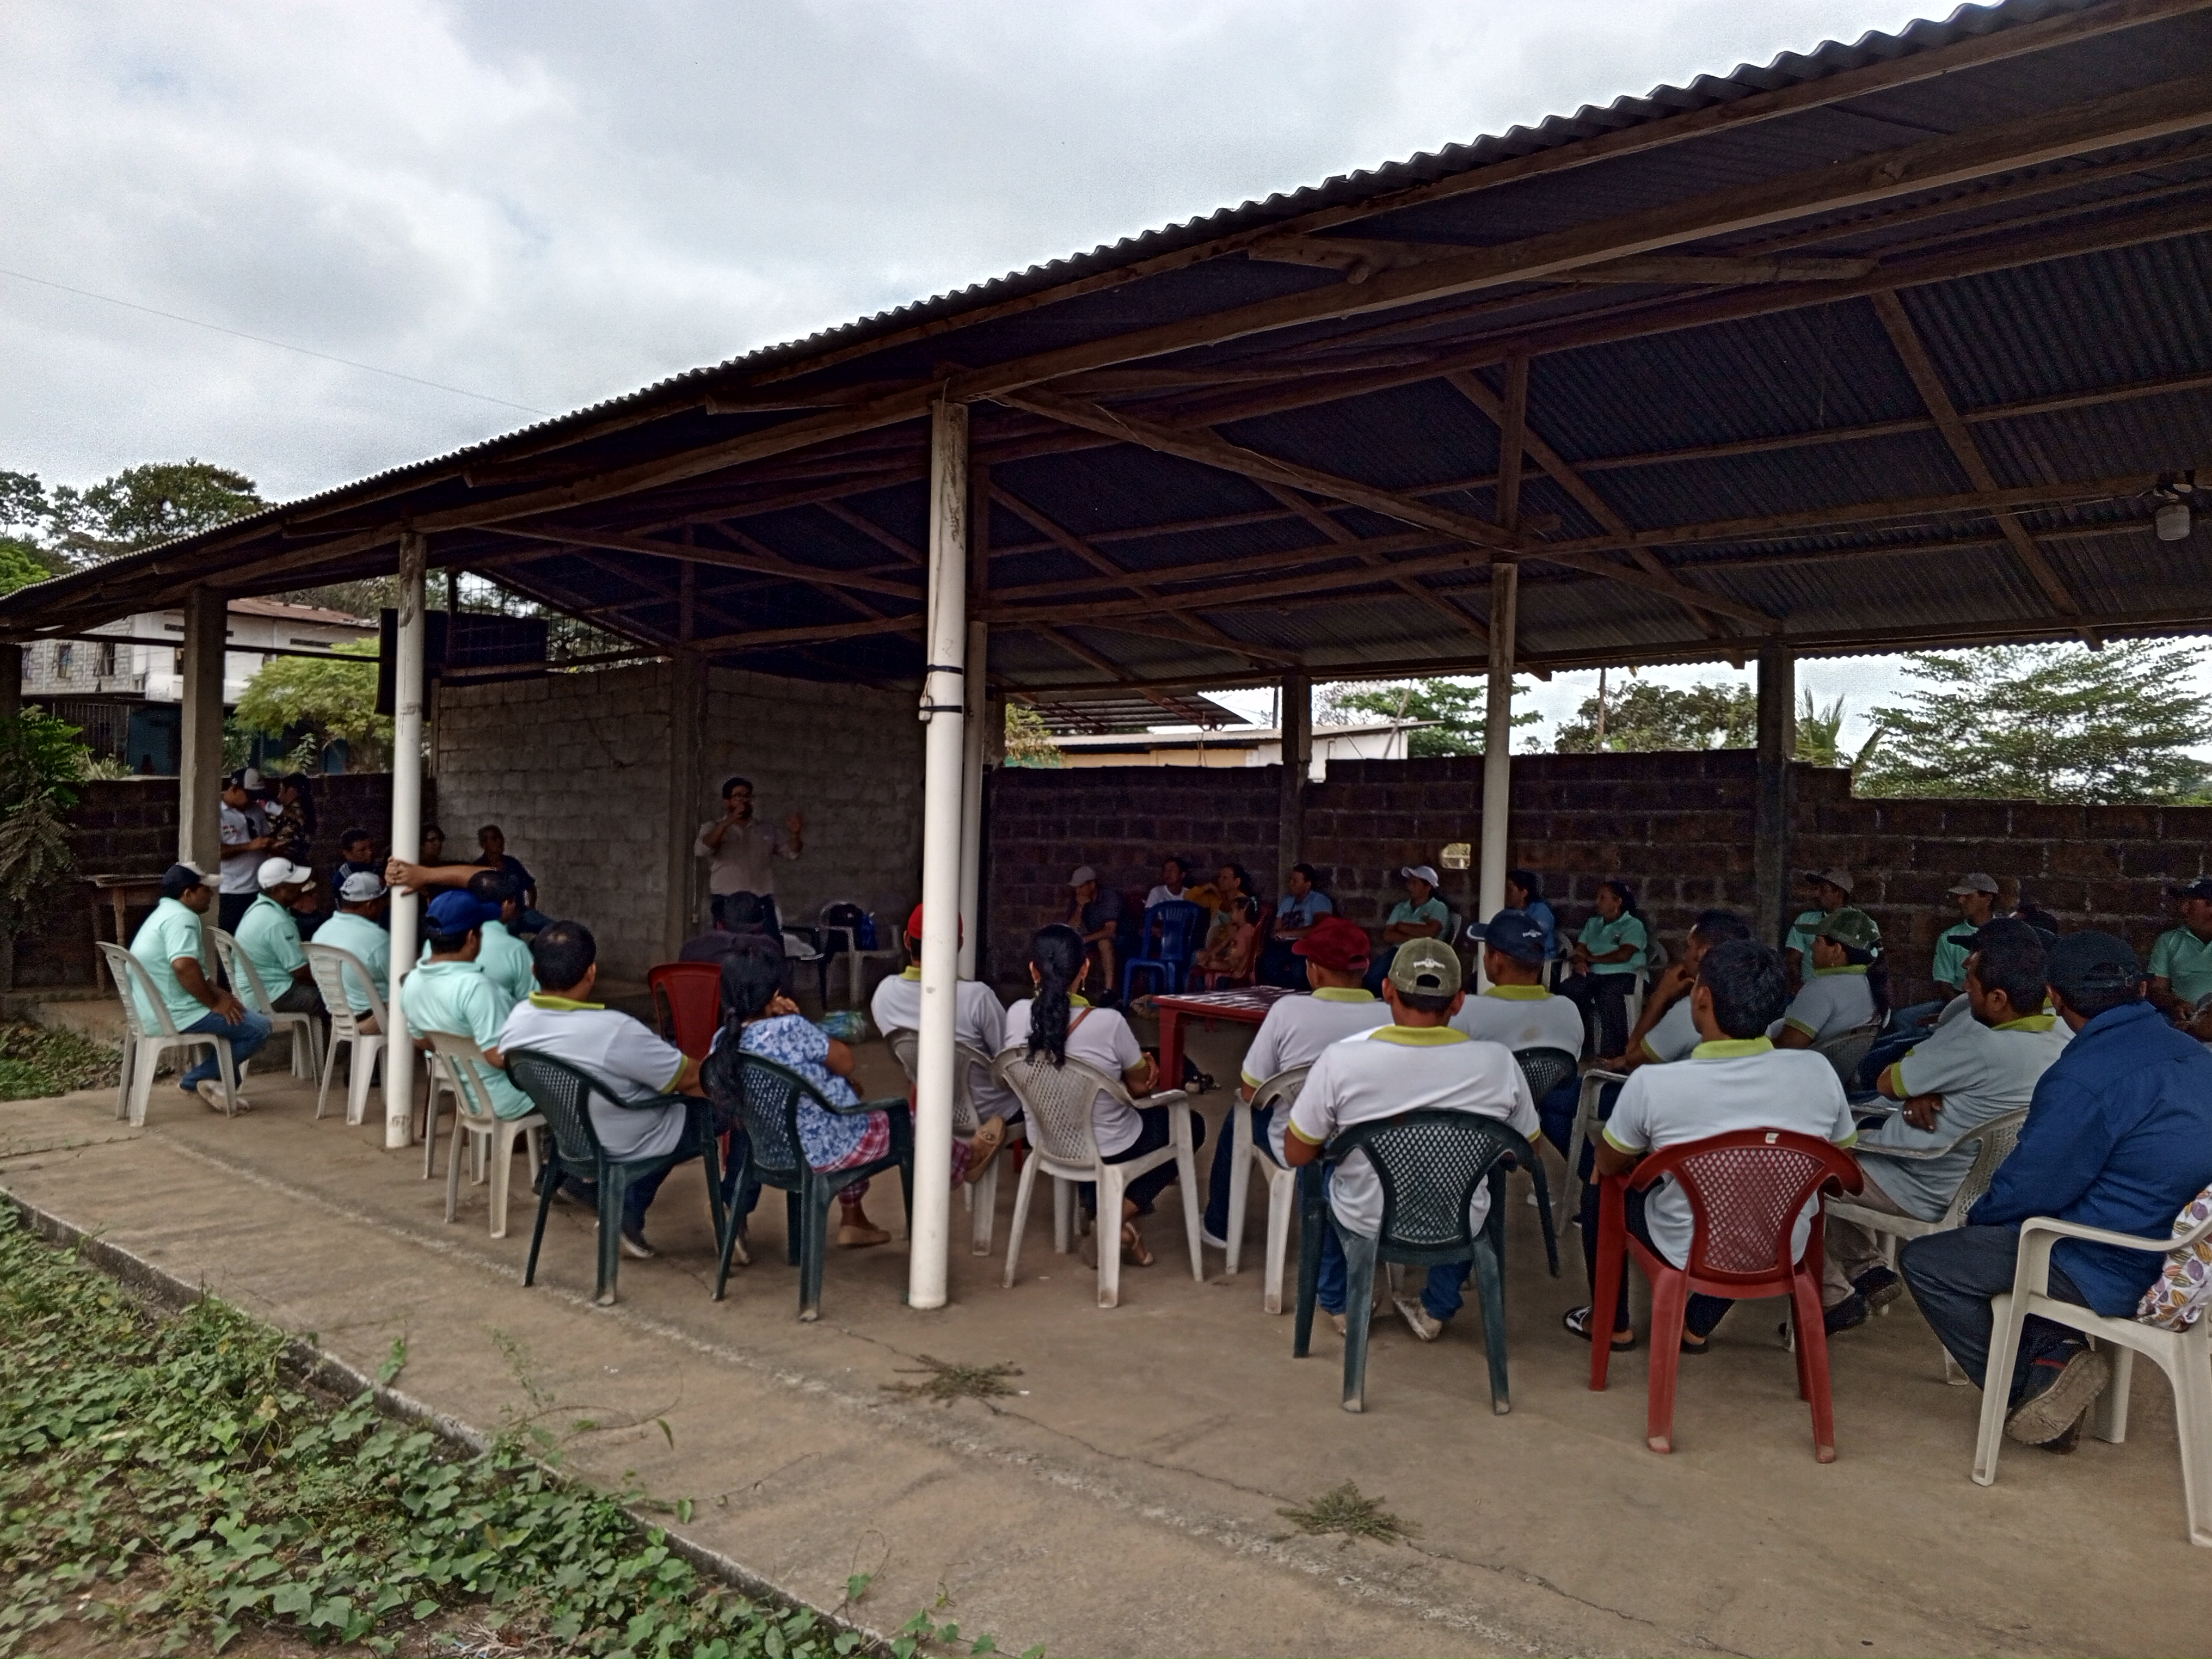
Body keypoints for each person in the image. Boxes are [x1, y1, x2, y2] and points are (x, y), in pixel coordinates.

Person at [1900, 932, 2212, 1451]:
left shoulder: (2083, 1077)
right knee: (2008, 1244)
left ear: (2054, 996)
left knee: (1934, 1262)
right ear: (2140, 988)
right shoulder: (2193, 1054)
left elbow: (2032, 1187)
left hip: (2116, 1262)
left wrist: (1981, 1219)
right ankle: (2055, 1355)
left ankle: (2035, 1398)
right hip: (2188, 1259)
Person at [1564, 939, 1856, 1352]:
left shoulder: (1656, 1084)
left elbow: (1609, 1163)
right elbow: (1840, 1167)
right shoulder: (1818, 1072)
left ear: (1701, 997)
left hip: (1685, 1245)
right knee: (1755, 1199)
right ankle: (1696, 1324)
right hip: (1782, 1243)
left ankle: (1611, 1324)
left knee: (1600, 1189)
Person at [1285, 937, 1539, 1343]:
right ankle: (1437, 1307)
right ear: (1459, 1001)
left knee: (1315, 1174)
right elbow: (1528, 1151)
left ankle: (1341, 1302)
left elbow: (1296, 1153)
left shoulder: (1341, 1060)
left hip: (1367, 1218)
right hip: (1457, 1220)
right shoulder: (1499, 1063)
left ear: (1387, 990)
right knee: (1482, 1179)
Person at [1822, 920, 2069, 1332]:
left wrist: (1920, 1089)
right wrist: (1927, 1089)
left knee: (1800, 1168)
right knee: (1839, 1151)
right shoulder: (2062, 1038)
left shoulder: (1979, 1042)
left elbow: (1887, 1083)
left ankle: (1834, 1296)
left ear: (1998, 998)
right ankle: (1867, 1270)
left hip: (1914, 1178)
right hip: (1977, 1182)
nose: (1964, 985)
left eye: (1972, 982)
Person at [722, 947, 1003, 1250]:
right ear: (774, 994)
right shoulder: (791, 1028)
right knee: (905, 1121)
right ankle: (968, 1159)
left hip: (772, 1152)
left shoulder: (722, 1044)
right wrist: (796, 1018)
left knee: (847, 1111)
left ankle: (854, 1220)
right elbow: (846, 1062)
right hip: (825, 1150)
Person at [498, 921, 712, 1259]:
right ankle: (724, 1215)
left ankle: (571, 1182)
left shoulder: (517, 1020)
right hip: (623, 1140)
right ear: (592, 972)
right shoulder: (616, 1030)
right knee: (720, 1109)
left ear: (534, 971)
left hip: (570, 1140)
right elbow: (691, 1080)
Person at [1002, 923, 1202, 1268]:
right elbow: (1140, 1088)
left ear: (1034, 970)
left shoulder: (1017, 1014)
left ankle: (1113, 1218)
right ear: (1085, 969)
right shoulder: (1109, 1023)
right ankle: (1115, 1217)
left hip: (1047, 1139)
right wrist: (1147, 1068)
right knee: (1191, 1124)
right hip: (1110, 1143)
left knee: (1103, 1122)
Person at [1198, 914, 1390, 1250]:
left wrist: (1289, 1090)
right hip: (1369, 1148)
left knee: (1238, 1116)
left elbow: (1251, 1092)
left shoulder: (1288, 1011)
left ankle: (1220, 1227)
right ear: (1364, 968)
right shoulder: (1388, 1016)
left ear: (1315, 970)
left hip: (1297, 1145)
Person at [128, 862, 273, 1111]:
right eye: (205, 889)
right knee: (258, 1028)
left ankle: (220, 1084)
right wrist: (215, 1003)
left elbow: (195, 974)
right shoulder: (183, 918)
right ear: (188, 893)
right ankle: (196, 1080)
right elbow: (184, 966)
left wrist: (221, 995)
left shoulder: (163, 913)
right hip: (176, 1013)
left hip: (154, 1011)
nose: (212, 894)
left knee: (236, 1012)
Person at [870, 903, 1018, 1126]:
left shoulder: (884, 993)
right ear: (959, 944)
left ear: (907, 940)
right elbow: (1009, 1065)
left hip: (932, 1110)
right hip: (992, 1113)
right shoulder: (978, 997)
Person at [1453, 910, 1586, 1152]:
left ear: (1496, 960)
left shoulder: (1466, 1012)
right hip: (1532, 1127)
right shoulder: (1569, 1011)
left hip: (1474, 1135)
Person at [401, 890, 536, 1125]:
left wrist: (458, 1050)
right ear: (472, 937)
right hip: (509, 1100)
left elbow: (421, 1041)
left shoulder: (412, 982)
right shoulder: (477, 988)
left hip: (466, 1095)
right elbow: (497, 1057)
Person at [1608, 910, 1751, 1072]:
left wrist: (1661, 995)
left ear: (1703, 953)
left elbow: (1632, 1062)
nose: (1685, 956)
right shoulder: (1755, 1001)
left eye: (1689, 947)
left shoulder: (1693, 1009)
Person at [695, 776, 804, 939]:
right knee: (727, 946)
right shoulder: (713, 827)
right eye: (738, 796)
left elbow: (791, 853)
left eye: (747, 796)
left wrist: (796, 835)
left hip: (761, 901)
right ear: (727, 801)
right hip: (726, 901)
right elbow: (702, 850)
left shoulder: (766, 829)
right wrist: (728, 823)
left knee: (770, 945)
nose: (744, 800)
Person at [1557, 878, 1649, 1060]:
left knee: (1608, 993)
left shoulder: (1632, 924)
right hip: (1594, 974)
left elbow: (1624, 954)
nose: (1597, 902)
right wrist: (1580, 961)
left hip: (1625, 974)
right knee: (1569, 989)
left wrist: (1592, 958)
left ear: (1618, 902)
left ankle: (1614, 1053)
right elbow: (1580, 949)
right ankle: (1572, 1045)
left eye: (1603, 898)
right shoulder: (1593, 923)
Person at [1771, 907, 1884, 1048]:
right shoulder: (1869, 980)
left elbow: (1787, 1047)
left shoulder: (1821, 989)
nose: (1812, 946)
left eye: (1818, 941)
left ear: (1836, 950)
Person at [233, 857, 320, 1014]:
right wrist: (332, 984)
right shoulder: (277, 922)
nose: (300, 888)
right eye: (295, 884)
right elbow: (301, 972)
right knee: (338, 1000)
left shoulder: (258, 908)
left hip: (257, 991)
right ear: (279, 890)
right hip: (273, 994)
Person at [311, 871, 393, 1031]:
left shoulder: (321, 932)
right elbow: (402, 981)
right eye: (383, 902)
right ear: (371, 905)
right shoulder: (377, 939)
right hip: (375, 1019)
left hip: (339, 1018)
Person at [680, 892, 792, 1003]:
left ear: (720, 925)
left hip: (694, 1013)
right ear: (760, 928)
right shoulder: (769, 947)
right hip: (750, 1014)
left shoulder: (690, 948)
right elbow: (784, 993)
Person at [1364, 864, 1450, 993]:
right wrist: (1414, 937)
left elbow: (1430, 932)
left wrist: (1401, 926)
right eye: (1410, 882)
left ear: (1428, 887)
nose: (1410, 886)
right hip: (1399, 951)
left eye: (1415, 883)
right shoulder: (1401, 907)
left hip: (1425, 954)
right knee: (1373, 978)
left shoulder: (1438, 907)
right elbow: (1388, 935)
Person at [459, 869, 538, 1004]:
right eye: (513, 901)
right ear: (507, 904)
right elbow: (531, 1001)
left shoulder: (441, 941)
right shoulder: (516, 950)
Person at [2147, 877, 2212, 1040]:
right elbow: (2156, 989)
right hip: (2183, 1028)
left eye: (2190, 903)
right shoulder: (2169, 941)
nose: (2183, 909)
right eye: (2183, 903)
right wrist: (2174, 1003)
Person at [1784, 869, 1867, 990]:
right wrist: (1797, 985)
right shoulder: (1805, 921)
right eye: (1817, 889)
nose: (1817, 894)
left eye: (1823, 890)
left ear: (1839, 893)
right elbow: (1792, 961)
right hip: (1808, 991)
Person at [217, 772, 278, 932]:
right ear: (235, 789)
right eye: (249, 795)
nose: (252, 800)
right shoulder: (218, 814)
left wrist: (271, 845)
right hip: (232, 890)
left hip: (258, 887)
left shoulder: (256, 811)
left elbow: (265, 835)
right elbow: (216, 852)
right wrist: (249, 846)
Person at [1259, 863, 1334, 987]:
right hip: (1285, 945)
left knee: (1298, 970)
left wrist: (1289, 934)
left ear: (1308, 884)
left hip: (1309, 946)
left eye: (1295, 881)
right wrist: (1278, 934)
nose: (1291, 884)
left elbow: (1322, 927)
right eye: (1291, 880)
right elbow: (1277, 928)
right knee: (1268, 964)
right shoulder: (1287, 902)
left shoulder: (1318, 900)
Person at [1932, 874, 2001, 999]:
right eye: (1960, 896)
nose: (1961, 901)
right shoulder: (1949, 937)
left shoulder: (2007, 933)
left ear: (1987, 899)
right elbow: (1944, 985)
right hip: (1960, 999)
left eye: (1968, 896)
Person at [1064, 866, 1127, 1000]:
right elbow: (1071, 928)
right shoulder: (1077, 899)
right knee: (1076, 947)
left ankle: (1109, 990)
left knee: (1104, 942)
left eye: (1081, 887)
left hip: (1122, 938)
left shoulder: (1109, 897)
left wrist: (1085, 939)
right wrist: (1080, 908)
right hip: (1094, 938)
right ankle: (1071, 995)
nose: (1078, 891)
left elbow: (1110, 930)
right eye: (1076, 888)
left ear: (1092, 885)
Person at [475, 825, 548, 932]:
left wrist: (531, 907)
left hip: (521, 914)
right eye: (494, 839)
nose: (500, 842)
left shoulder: (512, 863)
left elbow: (530, 887)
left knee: (553, 928)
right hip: (497, 921)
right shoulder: (478, 868)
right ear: (484, 844)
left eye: (501, 838)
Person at [1193, 894, 1263, 987]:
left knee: (1212, 964)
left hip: (1237, 963)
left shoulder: (1249, 930)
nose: (1230, 914)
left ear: (1241, 912)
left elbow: (1250, 951)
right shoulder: (1235, 929)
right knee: (1200, 956)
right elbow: (1223, 944)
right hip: (1229, 960)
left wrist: (1241, 969)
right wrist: (1210, 955)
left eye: (1232, 911)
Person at [1504, 869, 1559, 963]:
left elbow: (1534, 937)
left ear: (1524, 893)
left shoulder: (1541, 909)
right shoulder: (1508, 911)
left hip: (1541, 963)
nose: (1505, 894)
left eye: (1509, 890)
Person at [334, 827, 380, 893]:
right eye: (362, 850)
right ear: (348, 854)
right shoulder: (344, 879)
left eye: (371, 847)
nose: (370, 852)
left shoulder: (378, 868)